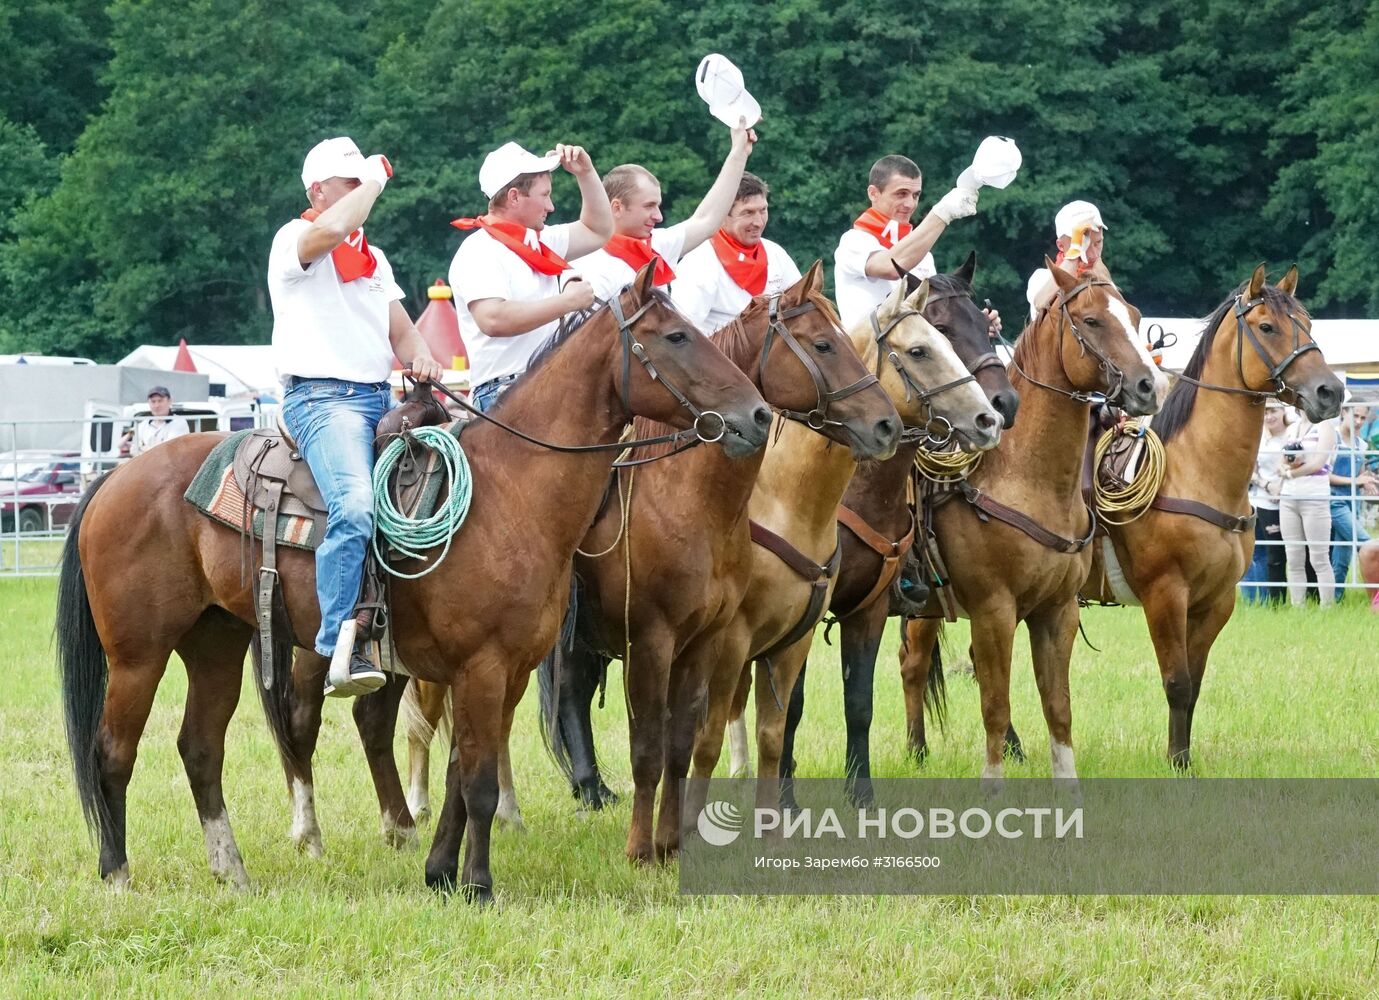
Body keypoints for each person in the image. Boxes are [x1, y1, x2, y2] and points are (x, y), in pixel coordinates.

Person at [268, 136, 444, 697]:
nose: (362, 196)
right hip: (320, 399)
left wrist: (422, 354)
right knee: (356, 503)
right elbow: (333, 230)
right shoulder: (295, 240)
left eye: (360, 186)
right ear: (317, 191)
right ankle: (339, 642)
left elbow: (401, 328)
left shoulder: (373, 258)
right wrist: (374, 179)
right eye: (349, 186)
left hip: (376, 397)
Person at [448, 141, 613, 412]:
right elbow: (493, 319)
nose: (551, 206)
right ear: (514, 197)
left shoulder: (539, 239)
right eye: (545, 195)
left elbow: (599, 230)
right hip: (505, 393)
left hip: (549, 384)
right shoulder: (479, 249)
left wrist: (586, 173)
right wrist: (568, 301)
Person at [570, 123, 757, 301]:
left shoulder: (656, 246)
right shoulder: (589, 264)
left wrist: (739, 153)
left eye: (657, 206)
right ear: (617, 207)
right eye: (649, 206)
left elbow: (707, 220)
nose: (658, 216)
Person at [832, 154, 986, 331]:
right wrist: (942, 214)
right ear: (873, 193)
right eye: (901, 194)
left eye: (916, 195)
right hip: (865, 355)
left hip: (912, 354)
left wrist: (976, 323)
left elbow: (932, 312)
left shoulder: (923, 255)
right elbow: (891, 268)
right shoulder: (854, 241)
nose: (910, 204)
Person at [672, 172, 801, 333]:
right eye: (748, 213)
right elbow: (683, 334)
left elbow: (802, 313)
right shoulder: (698, 263)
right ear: (722, 215)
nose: (759, 222)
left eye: (763, 210)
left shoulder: (776, 254)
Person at [1277, 410, 1339, 606]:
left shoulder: (1325, 426)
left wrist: (1290, 474)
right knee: (1293, 556)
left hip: (1315, 496)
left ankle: (1327, 607)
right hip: (1288, 497)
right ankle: (1298, 606)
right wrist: (1285, 469)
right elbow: (1281, 460)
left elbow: (1319, 463)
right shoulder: (1292, 428)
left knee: (1319, 557)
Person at [1244, 399, 1292, 603]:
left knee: (1275, 554)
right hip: (1257, 499)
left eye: (1273, 411)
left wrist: (1280, 486)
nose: (1269, 416)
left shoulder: (1291, 435)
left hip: (1281, 500)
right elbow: (1250, 467)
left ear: (1283, 411)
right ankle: (1252, 600)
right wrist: (1265, 484)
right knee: (1254, 552)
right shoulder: (1259, 437)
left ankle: (1272, 601)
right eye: (1265, 412)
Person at [1026, 200, 1108, 318]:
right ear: (1060, 245)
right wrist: (1074, 255)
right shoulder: (1041, 278)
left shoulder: (1103, 280)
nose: (1093, 254)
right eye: (1083, 246)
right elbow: (1040, 304)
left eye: (1098, 242)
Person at [1329, 403, 1377, 588]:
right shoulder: (1332, 438)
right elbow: (1324, 475)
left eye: (1363, 418)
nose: (1358, 422)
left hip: (1353, 503)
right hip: (1335, 501)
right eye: (1355, 416)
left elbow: (1361, 475)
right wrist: (1355, 481)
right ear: (1344, 412)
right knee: (1366, 542)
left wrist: (1368, 482)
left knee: (1342, 558)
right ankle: (1377, 593)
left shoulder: (1361, 444)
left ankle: (1334, 602)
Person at [128, 386, 190, 456]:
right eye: (153, 401)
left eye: (160, 401)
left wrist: (143, 448)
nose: (156, 405)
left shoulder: (179, 422)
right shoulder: (143, 425)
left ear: (170, 401)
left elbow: (168, 448)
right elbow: (133, 450)